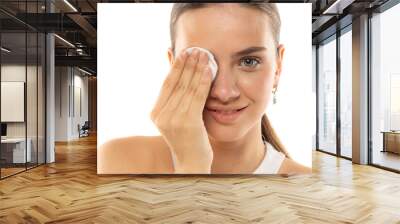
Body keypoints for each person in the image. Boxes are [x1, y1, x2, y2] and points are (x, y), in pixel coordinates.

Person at [98, 2, 311, 175]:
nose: (224, 92)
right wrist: (191, 166)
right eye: (203, 61)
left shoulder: (307, 191)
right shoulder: (117, 160)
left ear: (278, 67)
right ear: (173, 65)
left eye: (249, 61)